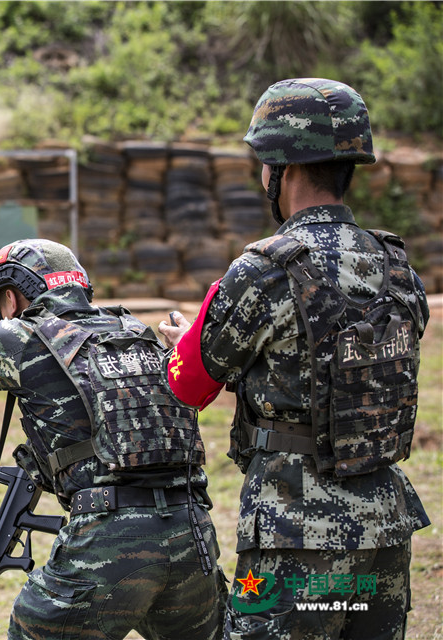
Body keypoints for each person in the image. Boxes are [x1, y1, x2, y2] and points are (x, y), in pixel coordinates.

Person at [158, 78, 430, 640]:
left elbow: (190, 385)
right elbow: (336, 367)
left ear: (277, 168)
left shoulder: (263, 270)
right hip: (384, 531)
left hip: (292, 534)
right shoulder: (398, 267)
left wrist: (185, 340)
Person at [0, 238, 226, 640]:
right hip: (193, 533)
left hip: (108, 539)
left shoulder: (22, 335)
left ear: (11, 297)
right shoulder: (135, 332)